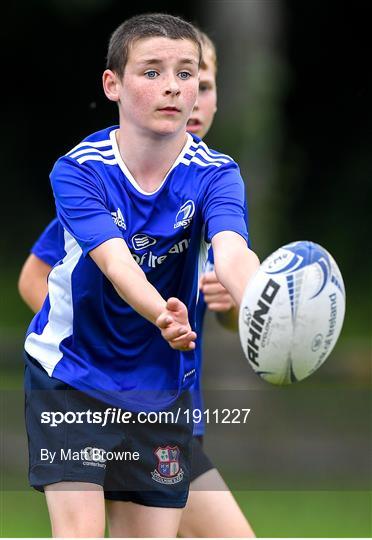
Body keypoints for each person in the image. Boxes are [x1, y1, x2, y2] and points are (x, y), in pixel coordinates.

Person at [21, 14, 259, 538]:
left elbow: (234, 253)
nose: (173, 86)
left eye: (186, 73)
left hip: (160, 388)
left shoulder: (217, 174)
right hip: (73, 376)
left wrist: (265, 304)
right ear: (113, 85)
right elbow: (115, 262)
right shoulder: (81, 170)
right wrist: (160, 313)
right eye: (152, 72)